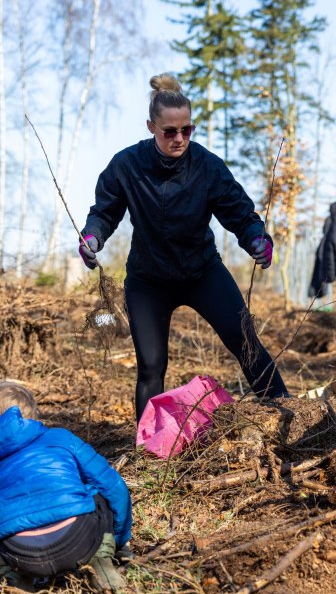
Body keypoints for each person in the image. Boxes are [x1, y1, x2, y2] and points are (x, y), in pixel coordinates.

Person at [78, 73, 289, 421]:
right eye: (170, 132)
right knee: (150, 366)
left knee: (246, 342)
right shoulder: (127, 165)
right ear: (151, 126)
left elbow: (238, 212)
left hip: (202, 272)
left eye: (187, 130)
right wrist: (92, 237)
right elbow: (104, 211)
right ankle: (149, 448)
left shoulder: (207, 166)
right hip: (148, 281)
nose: (180, 139)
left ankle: (288, 415)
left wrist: (256, 237)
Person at [0, 382, 132, 593]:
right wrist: (120, 540)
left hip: (22, 555)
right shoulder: (62, 439)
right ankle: (101, 559)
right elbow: (114, 488)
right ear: (33, 415)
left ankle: (16, 578)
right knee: (97, 495)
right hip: (79, 539)